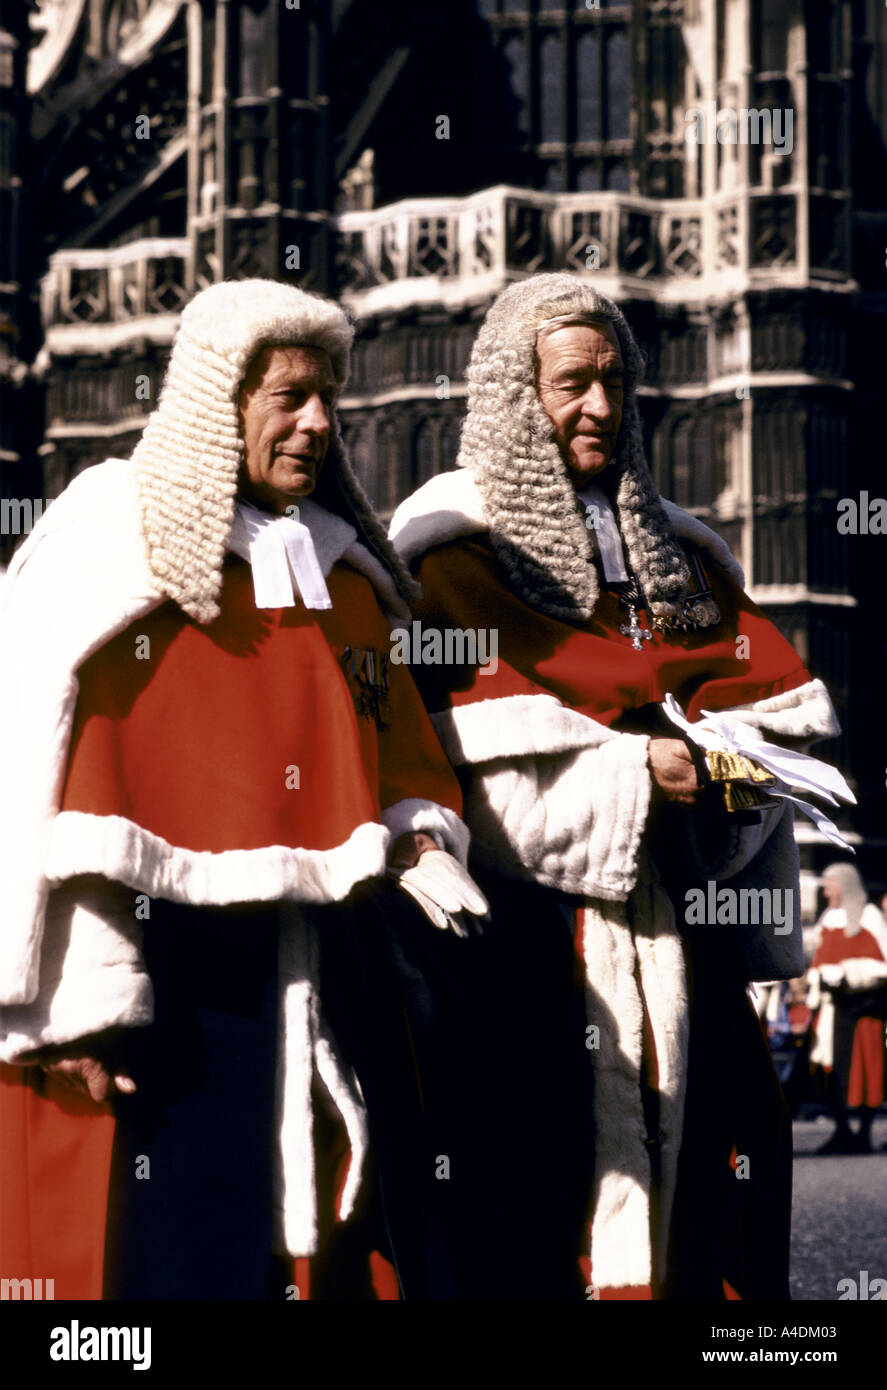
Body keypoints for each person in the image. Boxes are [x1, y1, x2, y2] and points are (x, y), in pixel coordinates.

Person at [0, 279, 484, 1301]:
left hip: (336, 973)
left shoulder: (347, 580)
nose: (316, 422)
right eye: (290, 396)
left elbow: (396, 758)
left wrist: (419, 838)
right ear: (219, 399)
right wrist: (74, 1006)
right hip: (170, 985)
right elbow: (38, 783)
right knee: (170, 1256)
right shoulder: (110, 544)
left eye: (327, 401)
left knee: (341, 1253)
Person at [390, 272, 844, 1300]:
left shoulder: (681, 558)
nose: (598, 407)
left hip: (682, 937)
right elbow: (454, 766)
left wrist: (722, 778)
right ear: (515, 393)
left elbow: (765, 713)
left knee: (721, 1206)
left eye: (611, 383)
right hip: (527, 952)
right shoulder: (449, 554)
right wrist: (635, 771)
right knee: (524, 1208)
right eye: (569, 384)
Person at [807, 863, 887, 1154]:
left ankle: (863, 1133)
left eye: (831, 885)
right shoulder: (828, 918)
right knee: (830, 1069)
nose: (826, 892)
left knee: (866, 1069)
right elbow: (816, 953)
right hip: (831, 1009)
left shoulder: (869, 916)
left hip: (861, 1007)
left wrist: (846, 973)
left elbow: (883, 964)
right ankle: (842, 1130)